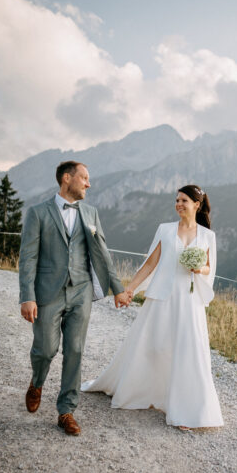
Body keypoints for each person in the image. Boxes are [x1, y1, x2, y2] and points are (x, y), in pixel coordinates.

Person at [82, 185, 223, 430]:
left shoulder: (207, 235)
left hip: (189, 301)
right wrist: (130, 289)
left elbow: (210, 267)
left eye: (184, 200)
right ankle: (147, 393)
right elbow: (149, 265)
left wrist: (199, 269)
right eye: (177, 200)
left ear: (197, 205)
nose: (179, 204)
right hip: (162, 297)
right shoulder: (165, 230)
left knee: (188, 351)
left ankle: (187, 409)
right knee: (154, 346)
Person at [18, 161, 130, 436]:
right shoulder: (37, 213)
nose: (88, 184)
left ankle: (66, 411)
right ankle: (37, 382)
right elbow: (28, 258)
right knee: (45, 349)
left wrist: (117, 288)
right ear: (66, 179)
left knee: (75, 351)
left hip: (80, 291)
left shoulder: (91, 213)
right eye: (84, 178)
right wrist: (27, 297)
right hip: (48, 293)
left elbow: (102, 253)